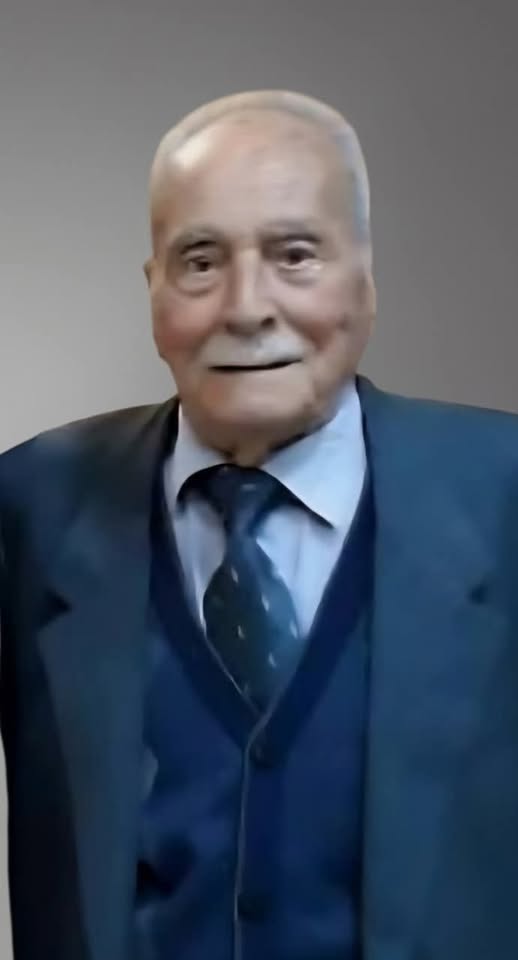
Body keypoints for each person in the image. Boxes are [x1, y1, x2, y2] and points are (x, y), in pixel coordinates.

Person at [1, 89, 518, 960]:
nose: (246, 307)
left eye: (295, 255)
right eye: (200, 260)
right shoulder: (29, 506)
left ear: (365, 278)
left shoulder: (504, 497)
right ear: (153, 289)